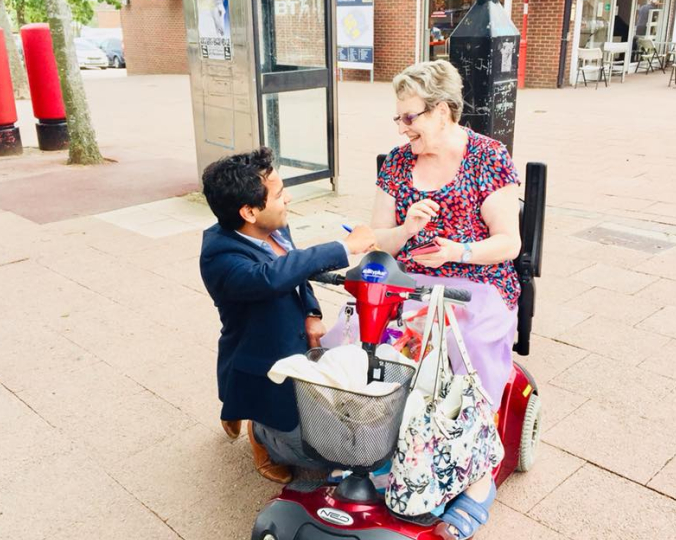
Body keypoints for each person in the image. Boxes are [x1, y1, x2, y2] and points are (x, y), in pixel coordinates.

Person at [371, 60, 522, 539]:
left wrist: (460, 251)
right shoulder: (397, 163)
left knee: (463, 351)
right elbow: (380, 243)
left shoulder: (487, 156)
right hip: (411, 281)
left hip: (477, 285)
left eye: (409, 117)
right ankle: (380, 448)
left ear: (441, 112)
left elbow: (509, 243)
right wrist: (406, 228)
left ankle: (478, 482)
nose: (402, 128)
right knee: (365, 337)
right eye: (399, 119)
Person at [199, 147, 376, 484]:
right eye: (279, 195)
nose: (288, 199)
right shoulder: (219, 257)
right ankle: (261, 436)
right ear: (249, 211)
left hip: (292, 338)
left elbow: (294, 269)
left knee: (316, 421)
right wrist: (344, 247)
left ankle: (246, 414)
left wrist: (311, 312)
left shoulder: (275, 226)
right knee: (313, 452)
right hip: (258, 356)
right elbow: (273, 277)